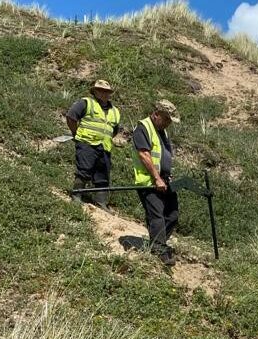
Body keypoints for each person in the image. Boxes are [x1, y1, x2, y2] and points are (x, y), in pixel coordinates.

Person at [131, 100, 180, 265]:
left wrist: (166, 176)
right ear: (156, 114)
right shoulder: (143, 128)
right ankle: (160, 251)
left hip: (165, 180)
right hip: (149, 182)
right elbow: (144, 155)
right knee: (157, 216)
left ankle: (156, 243)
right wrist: (157, 178)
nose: (167, 124)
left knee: (173, 215)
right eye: (166, 119)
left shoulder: (162, 131)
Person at [66, 80, 120, 210]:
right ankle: (77, 196)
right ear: (95, 91)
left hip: (104, 146)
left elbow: (115, 129)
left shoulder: (115, 111)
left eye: (106, 91)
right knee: (84, 170)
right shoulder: (86, 103)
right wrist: (76, 133)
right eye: (100, 90)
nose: (104, 93)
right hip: (87, 142)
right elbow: (71, 117)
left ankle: (101, 202)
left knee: (103, 175)